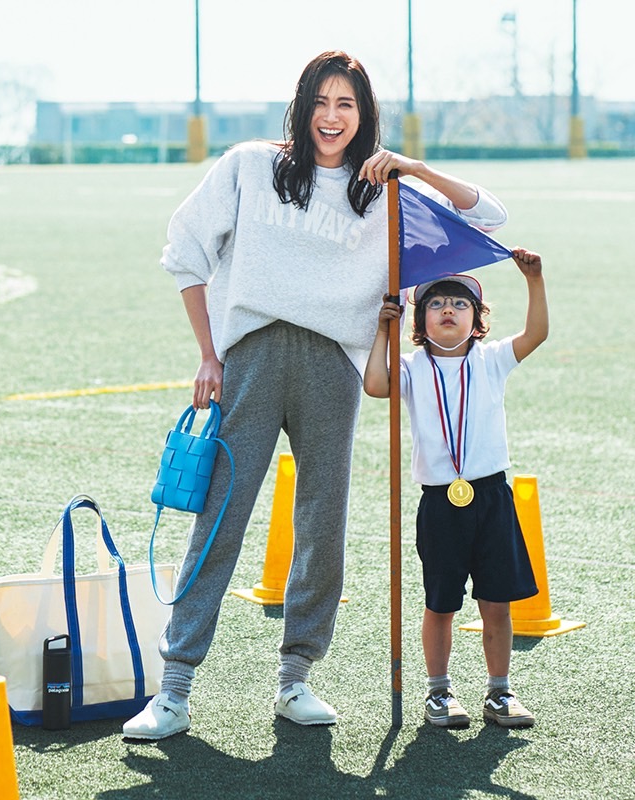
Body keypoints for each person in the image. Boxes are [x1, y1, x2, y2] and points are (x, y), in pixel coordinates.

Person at [123, 49, 508, 740]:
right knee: (220, 515)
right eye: (321, 103)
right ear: (302, 109)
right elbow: (185, 249)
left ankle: (296, 677)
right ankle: (174, 688)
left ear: (364, 116)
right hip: (252, 356)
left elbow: (491, 218)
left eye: (347, 105)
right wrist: (208, 355)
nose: (332, 118)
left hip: (334, 365)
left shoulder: (383, 190)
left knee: (323, 524)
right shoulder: (250, 166)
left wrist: (412, 168)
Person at [364, 248, 548, 728]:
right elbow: (375, 386)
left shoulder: (492, 359)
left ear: (478, 319)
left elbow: (537, 334)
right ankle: (439, 692)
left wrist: (534, 281)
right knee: (440, 601)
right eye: (437, 303)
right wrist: (383, 329)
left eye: (460, 303)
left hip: (491, 496)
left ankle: (499, 692)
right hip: (440, 501)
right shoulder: (410, 365)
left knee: (496, 602)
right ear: (420, 319)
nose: (449, 309)